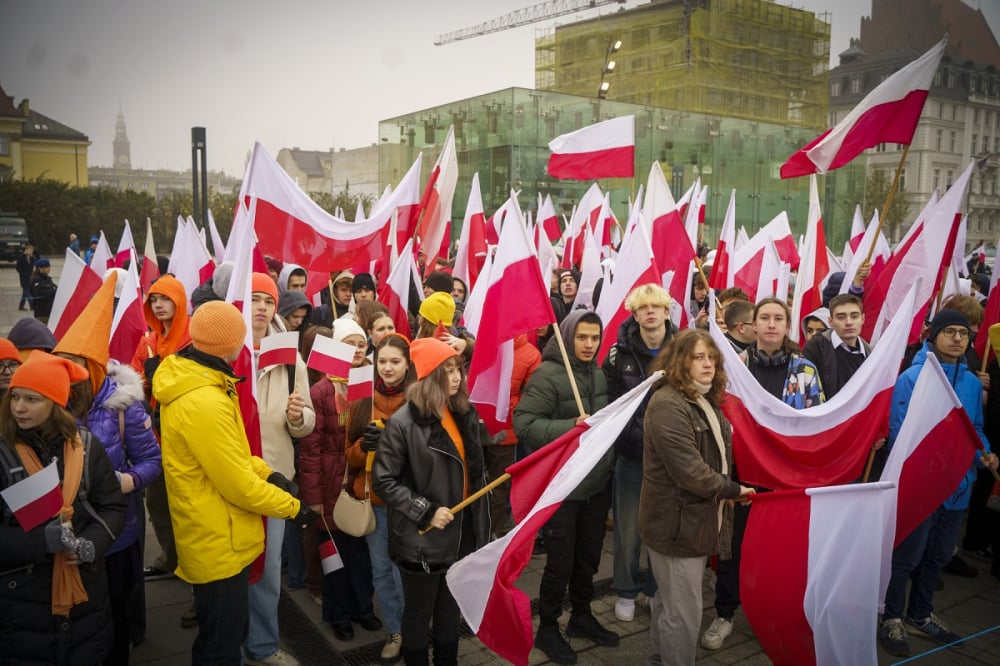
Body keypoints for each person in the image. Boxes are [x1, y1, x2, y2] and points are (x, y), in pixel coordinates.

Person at [152, 301, 317, 665]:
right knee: (219, 647)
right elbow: (237, 485)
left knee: (225, 632)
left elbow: (236, 453)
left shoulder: (203, 379)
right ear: (230, 345)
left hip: (218, 532)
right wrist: (294, 508)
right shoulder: (204, 399)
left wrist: (268, 473)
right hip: (218, 540)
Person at [701, 296, 824, 652]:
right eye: (764, 318)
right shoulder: (732, 367)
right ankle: (725, 613)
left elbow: (815, 424)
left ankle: (770, 613)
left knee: (777, 552)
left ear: (787, 327)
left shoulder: (806, 371)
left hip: (784, 479)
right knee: (732, 549)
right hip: (740, 475)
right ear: (753, 325)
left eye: (778, 319)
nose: (771, 324)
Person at [54, 274, 162, 664]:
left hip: (117, 535)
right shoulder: (52, 406)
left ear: (95, 368)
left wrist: (125, 481)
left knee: (116, 614)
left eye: (77, 367)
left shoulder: (124, 408)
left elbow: (154, 461)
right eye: (63, 366)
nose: (70, 377)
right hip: (67, 537)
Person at [878, 310, 999, 657]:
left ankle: (922, 613)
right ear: (934, 336)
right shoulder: (913, 378)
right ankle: (892, 616)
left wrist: (985, 453)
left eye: (963, 333)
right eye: (950, 332)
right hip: (924, 482)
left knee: (938, 555)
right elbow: (902, 433)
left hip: (959, 484)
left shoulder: (973, 384)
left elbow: (973, 428)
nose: (958, 338)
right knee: (907, 555)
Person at [0, 351, 128, 664]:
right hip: (20, 610)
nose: (19, 407)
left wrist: (91, 546)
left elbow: (112, 507)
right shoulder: (3, 453)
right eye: (15, 397)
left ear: (56, 403)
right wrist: (40, 543)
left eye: (32, 399)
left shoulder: (86, 446)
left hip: (87, 603)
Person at [372, 337, 491, 666]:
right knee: (419, 613)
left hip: (461, 532)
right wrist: (424, 512)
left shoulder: (463, 411)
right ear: (428, 376)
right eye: (448, 371)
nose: (457, 377)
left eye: (458, 370)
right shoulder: (402, 424)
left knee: (449, 610)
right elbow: (383, 481)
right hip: (423, 540)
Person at [640, 330, 755, 665]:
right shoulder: (668, 404)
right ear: (680, 361)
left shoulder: (700, 397)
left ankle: (659, 658)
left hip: (692, 520)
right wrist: (733, 489)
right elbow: (689, 471)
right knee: (684, 614)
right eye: (698, 357)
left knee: (670, 600)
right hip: (677, 525)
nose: (707, 364)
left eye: (711, 357)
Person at [514, 310, 617, 665]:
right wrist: (569, 426)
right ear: (568, 337)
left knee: (588, 557)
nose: (589, 344)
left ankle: (582, 617)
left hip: (596, 483)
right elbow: (524, 424)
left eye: (594, 338)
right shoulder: (549, 374)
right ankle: (547, 627)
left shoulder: (598, 372)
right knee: (561, 562)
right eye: (582, 337)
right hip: (563, 486)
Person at [247, 273, 316, 666]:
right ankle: (226, 640)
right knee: (226, 567)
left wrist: (298, 417)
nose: (261, 307)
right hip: (229, 479)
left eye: (267, 301)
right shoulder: (222, 349)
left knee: (268, 571)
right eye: (253, 298)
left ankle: (261, 645)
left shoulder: (288, 356)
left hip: (274, 479)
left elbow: (304, 421)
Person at [298, 318, 380, 641]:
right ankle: (338, 615)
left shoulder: (367, 386)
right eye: (349, 343)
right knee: (334, 557)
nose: (357, 349)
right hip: (329, 488)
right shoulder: (320, 391)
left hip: (358, 487)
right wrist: (313, 497)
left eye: (361, 343)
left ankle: (363, 610)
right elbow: (310, 451)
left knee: (360, 556)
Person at [602, 284, 677, 623]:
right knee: (629, 528)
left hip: (671, 457)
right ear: (634, 314)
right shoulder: (617, 354)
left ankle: (653, 588)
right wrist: (641, 438)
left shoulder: (683, 349)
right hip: (632, 454)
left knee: (663, 527)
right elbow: (614, 406)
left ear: (666, 312)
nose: (650, 312)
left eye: (656, 306)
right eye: (643, 307)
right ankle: (626, 591)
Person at [344, 333, 413, 663]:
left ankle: (413, 629)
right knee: (382, 570)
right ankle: (394, 630)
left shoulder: (418, 400)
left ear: (407, 365)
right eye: (382, 361)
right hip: (373, 502)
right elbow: (350, 456)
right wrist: (364, 447)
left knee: (406, 572)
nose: (387, 368)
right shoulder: (361, 400)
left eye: (395, 362)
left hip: (407, 503)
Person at [129, 274, 190, 586]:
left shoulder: (192, 337)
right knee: (158, 504)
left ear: (179, 301)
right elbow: (134, 379)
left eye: (165, 298)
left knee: (188, 508)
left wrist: (162, 376)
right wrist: (143, 381)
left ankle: (194, 573)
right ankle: (170, 558)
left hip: (188, 438)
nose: (159, 305)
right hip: (156, 439)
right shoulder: (149, 341)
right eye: (154, 299)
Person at [803, 295, 870, 399]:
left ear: (863, 319)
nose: (849, 322)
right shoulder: (816, 348)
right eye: (841, 317)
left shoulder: (870, 353)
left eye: (854, 316)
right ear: (831, 321)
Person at [29, 258, 57, 324]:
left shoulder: (47, 279)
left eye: (49, 267)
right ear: (41, 268)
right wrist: (55, 292)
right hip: (42, 313)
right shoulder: (37, 280)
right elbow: (43, 293)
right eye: (47, 267)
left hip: (49, 312)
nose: (49, 269)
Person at [16, 243, 39, 311]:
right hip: (24, 277)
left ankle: (21, 306)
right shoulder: (21, 257)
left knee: (25, 292)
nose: (31, 252)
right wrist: (23, 273)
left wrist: (35, 252)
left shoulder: (32, 258)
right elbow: (17, 267)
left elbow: (38, 259)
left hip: (30, 277)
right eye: (29, 250)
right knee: (27, 291)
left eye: (32, 251)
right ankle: (32, 305)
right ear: (26, 250)